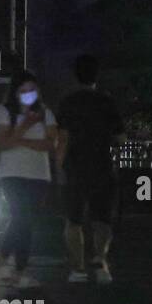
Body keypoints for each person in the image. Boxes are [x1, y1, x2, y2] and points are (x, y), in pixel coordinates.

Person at [56, 55, 125, 284]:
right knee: (102, 219)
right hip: (102, 166)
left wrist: (58, 166)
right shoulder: (106, 102)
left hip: (75, 168)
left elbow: (63, 138)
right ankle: (100, 260)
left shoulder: (68, 103)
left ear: (76, 75)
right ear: (97, 75)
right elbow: (120, 138)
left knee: (73, 220)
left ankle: (78, 269)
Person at [0, 71, 56, 289]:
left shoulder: (46, 113)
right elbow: (3, 144)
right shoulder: (4, 112)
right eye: (24, 90)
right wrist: (26, 126)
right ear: (15, 92)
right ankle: (19, 271)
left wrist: (19, 139)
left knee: (22, 220)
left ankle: (2, 262)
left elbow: (50, 144)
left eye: (32, 90)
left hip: (39, 174)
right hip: (12, 174)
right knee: (22, 218)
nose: (29, 94)